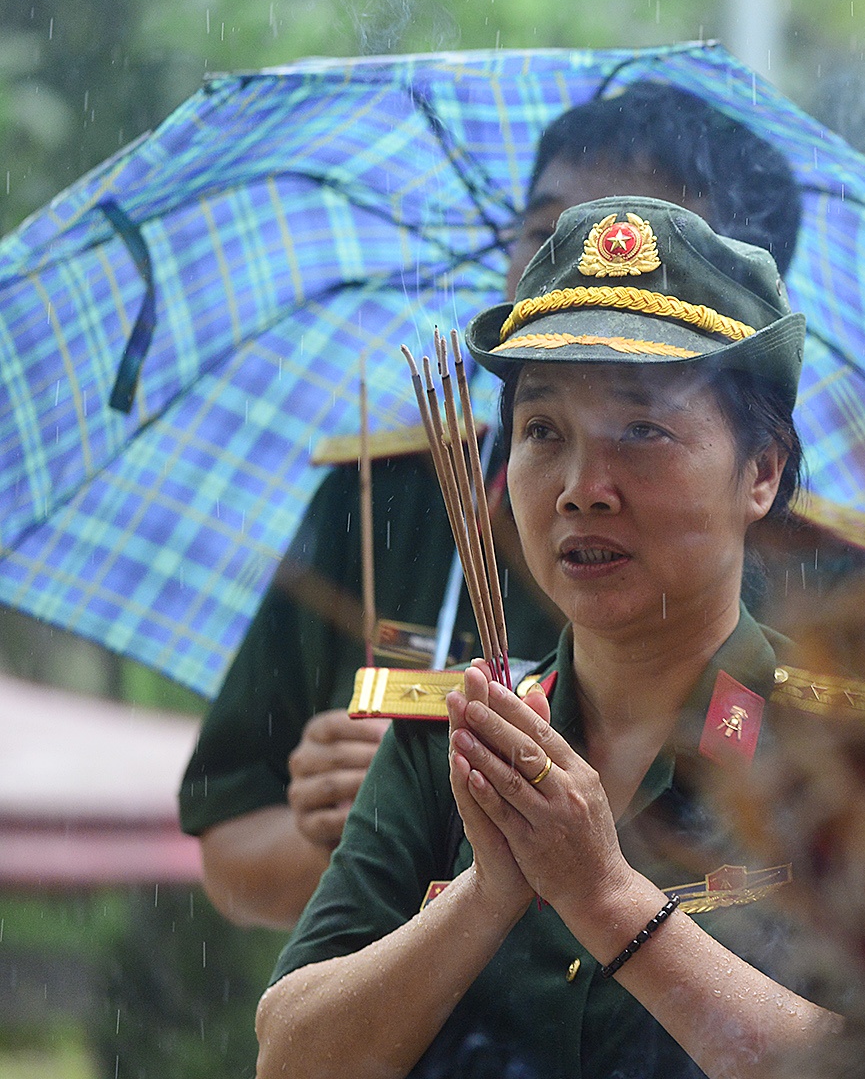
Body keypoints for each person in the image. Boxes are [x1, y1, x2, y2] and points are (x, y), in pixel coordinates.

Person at [179, 84, 808, 929]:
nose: (577, 265)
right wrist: (384, 828)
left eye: (644, 430)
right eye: (548, 231)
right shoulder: (377, 505)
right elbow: (235, 859)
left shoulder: (817, 578)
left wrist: (590, 880)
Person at [257, 196, 852, 1078]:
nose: (582, 487)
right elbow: (293, 1055)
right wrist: (486, 896)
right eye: (543, 430)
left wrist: (603, 896)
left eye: (643, 429)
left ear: (761, 472)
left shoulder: (854, 761)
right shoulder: (456, 741)